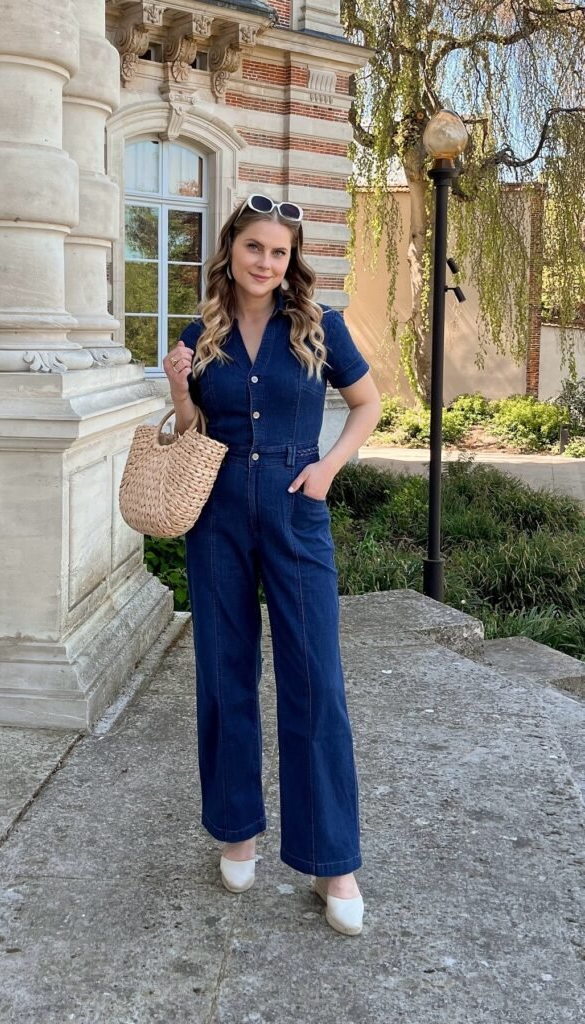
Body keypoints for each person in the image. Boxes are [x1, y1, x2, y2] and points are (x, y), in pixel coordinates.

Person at [162, 194, 382, 936]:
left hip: (295, 508)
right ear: (230, 250)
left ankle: (332, 860)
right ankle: (236, 830)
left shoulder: (319, 326)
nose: (265, 262)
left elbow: (367, 404)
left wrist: (326, 469)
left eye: (278, 252)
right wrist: (178, 386)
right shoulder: (202, 333)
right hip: (216, 512)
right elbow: (191, 434)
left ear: (291, 262)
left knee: (315, 678)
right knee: (224, 672)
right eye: (254, 247)